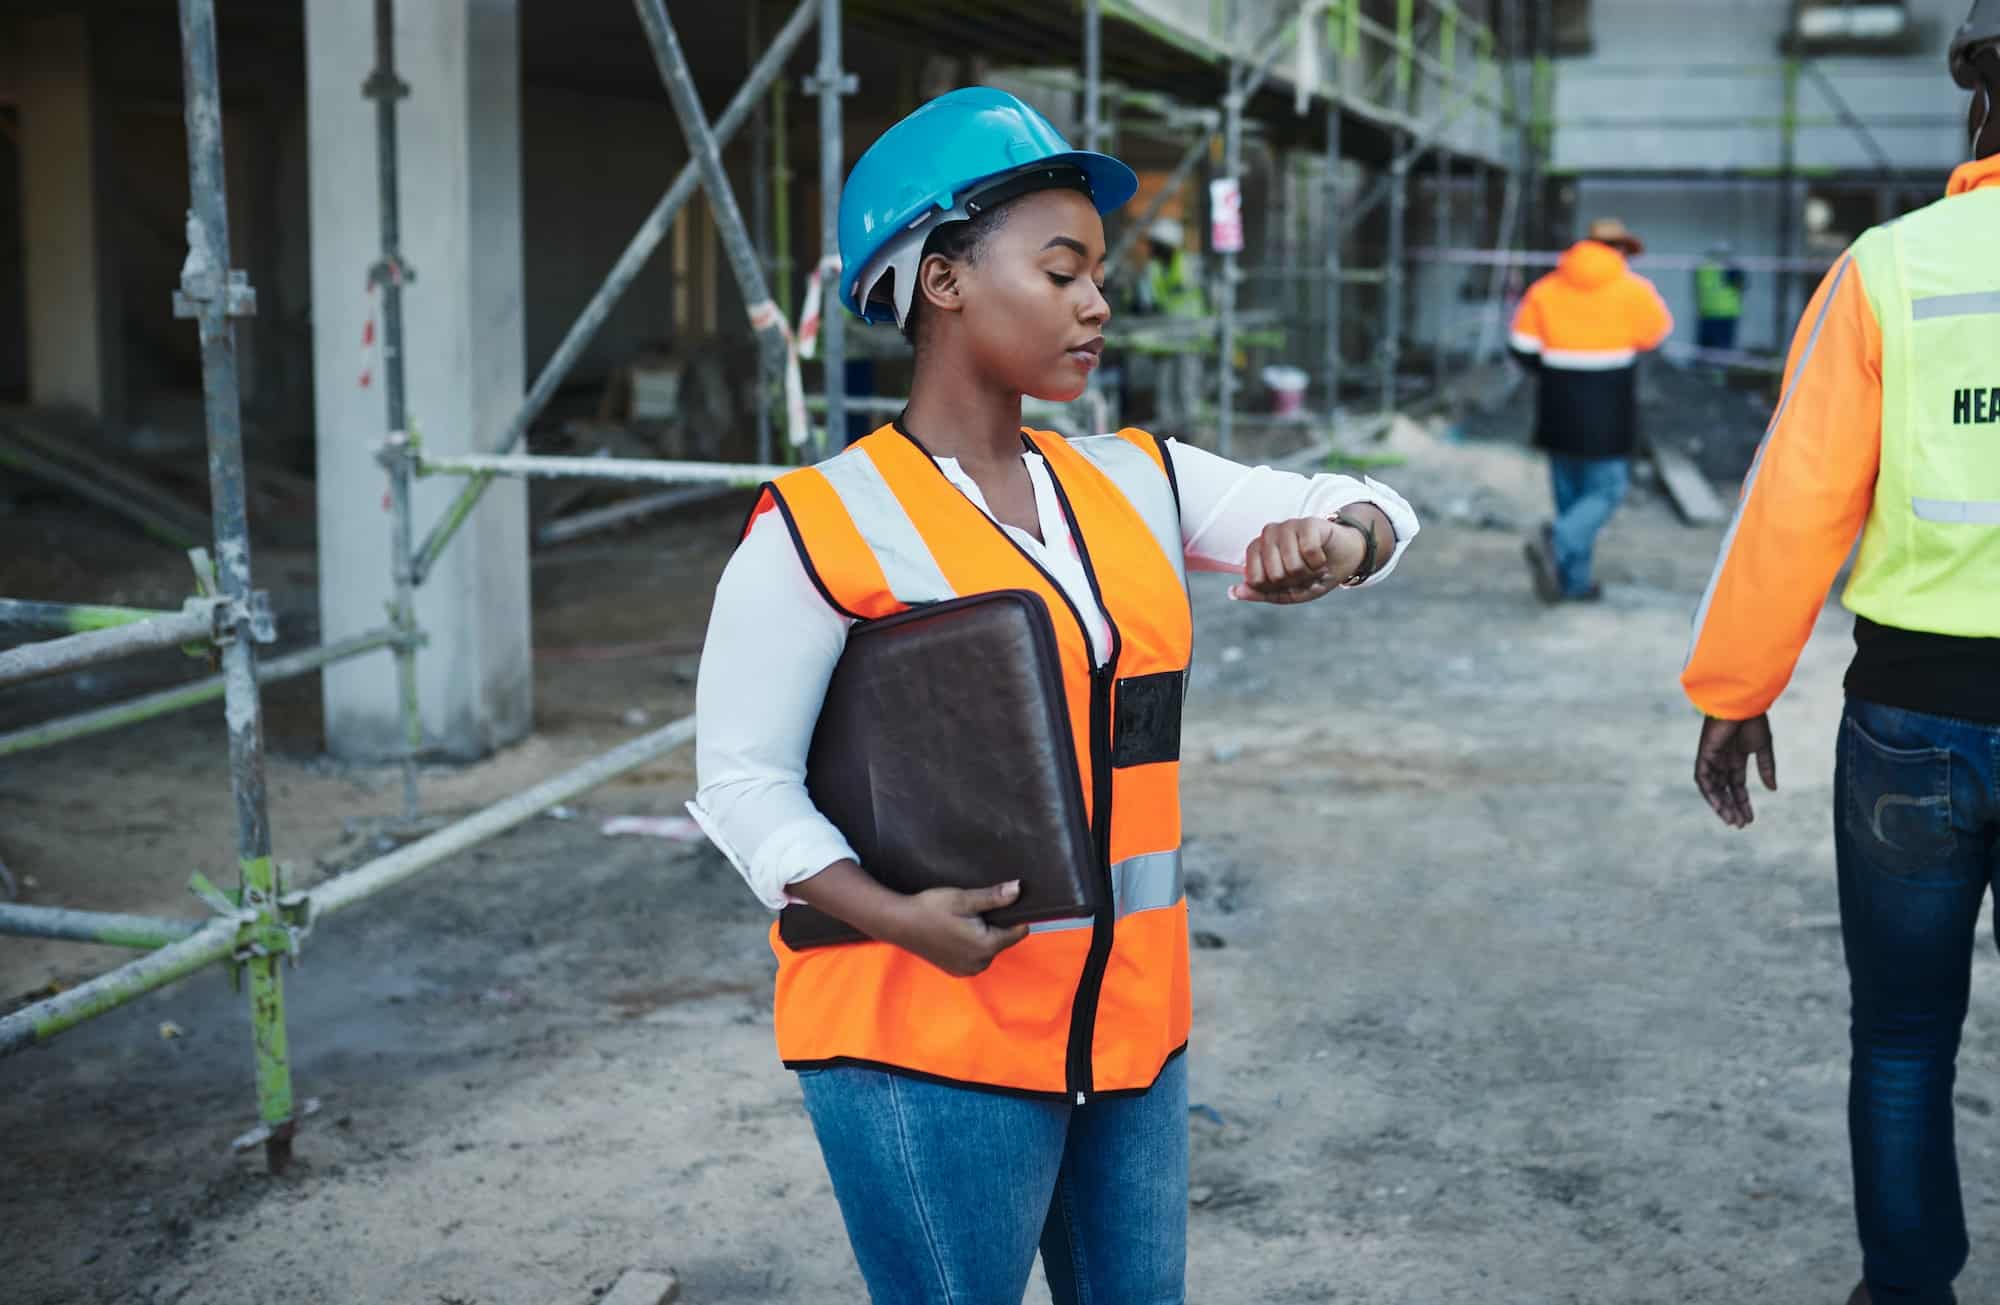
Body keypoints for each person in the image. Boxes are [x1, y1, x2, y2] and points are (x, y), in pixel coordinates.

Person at [689, 86, 1419, 1303]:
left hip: (1130, 1035)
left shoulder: (1139, 480)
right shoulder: (818, 526)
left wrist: (1334, 545)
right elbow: (739, 783)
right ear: (943, 281)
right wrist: (893, 914)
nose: (1097, 304)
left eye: (1098, 275)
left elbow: (1377, 506)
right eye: (1062, 269)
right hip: (919, 1046)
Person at [1683, 7, 2000, 1301]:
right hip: (1916, 708)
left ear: (1979, 93)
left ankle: (1908, 1287)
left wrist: (1737, 690)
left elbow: (1798, 496)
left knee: (1906, 1035)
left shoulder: (1893, 265)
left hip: (1913, 717)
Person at [1512, 216, 1674, 603]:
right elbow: (1656, 335)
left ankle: (1574, 583)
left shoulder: (1545, 289)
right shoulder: (1633, 290)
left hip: (1555, 409)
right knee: (1607, 490)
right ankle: (1557, 539)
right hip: (1608, 410)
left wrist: (1557, 369)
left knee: (1571, 500)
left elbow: (1520, 346)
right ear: (1619, 251)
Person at [1694, 242, 1748, 357]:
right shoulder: (1731, 269)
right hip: (1723, 314)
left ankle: (1709, 373)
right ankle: (1715, 373)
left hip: (1711, 314)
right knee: (1720, 351)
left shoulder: (1703, 268)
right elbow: (1742, 287)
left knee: (1709, 351)